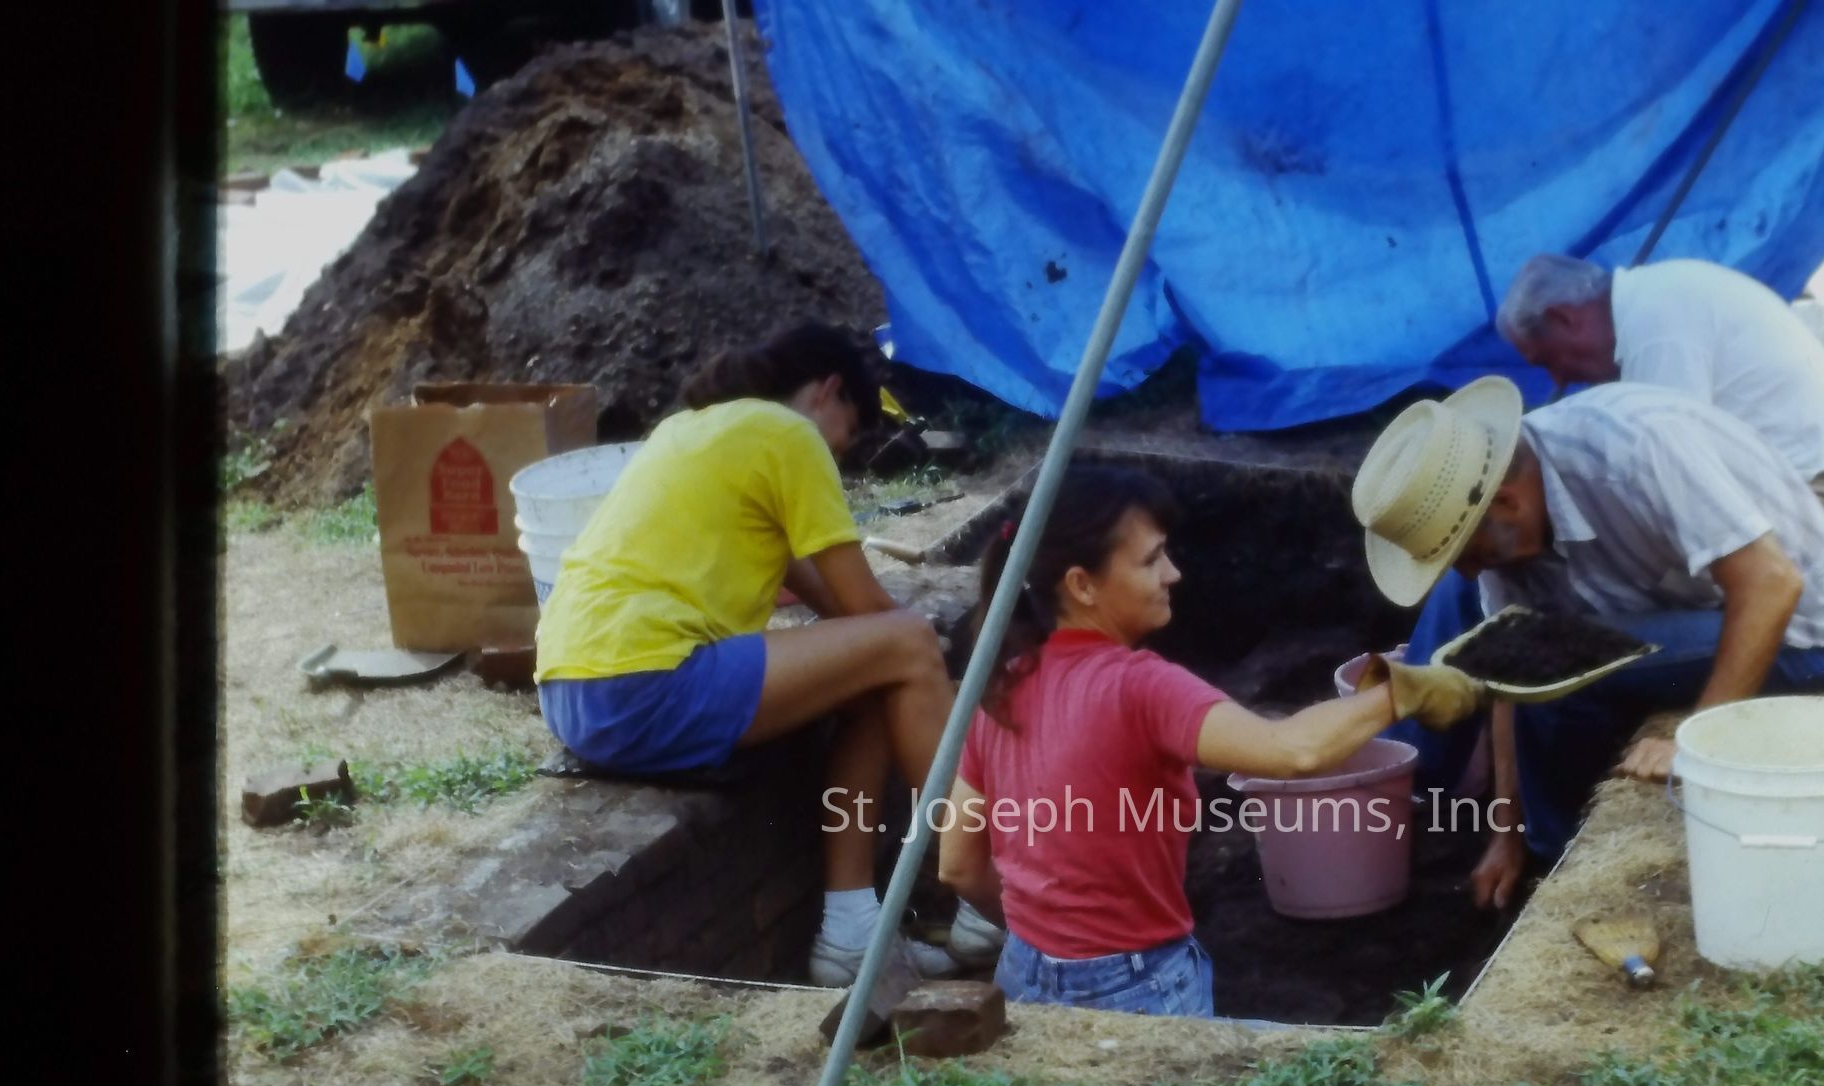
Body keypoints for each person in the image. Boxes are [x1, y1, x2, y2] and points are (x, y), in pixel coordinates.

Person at [934, 467, 1482, 1019]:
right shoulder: (1140, 687)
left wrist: (1049, 945)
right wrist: (1402, 693)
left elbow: (957, 864)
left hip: (1023, 976)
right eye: (1151, 560)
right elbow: (1292, 751)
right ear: (1082, 585)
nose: (1173, 573)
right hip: (1135, 986)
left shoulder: (1001, 686)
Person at [533, 322, 987, 985]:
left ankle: (852, 935)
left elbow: (841, 611)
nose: (838, 456)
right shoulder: (789, 434)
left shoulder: (692, 429)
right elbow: (871, 611)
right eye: (846, 436)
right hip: (645, 682)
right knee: (909, 644)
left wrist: (904, 652)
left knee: (877, 672)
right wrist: (931, 653)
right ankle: (987, 894)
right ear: (828, 391)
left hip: (574, 692)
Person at [1351, 376, 1824, 909]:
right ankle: (1542, 854)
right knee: (1515, 641)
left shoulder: (1636, 450)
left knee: (1555, 664)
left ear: (1505, 501)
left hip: (1804, 634)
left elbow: (1774, 585)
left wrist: (1695, 744)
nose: (1470, 570)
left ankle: (1561, 869)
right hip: (1691, 607)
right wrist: (1506, 834)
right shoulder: (1503, 503)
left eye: (1467, 552)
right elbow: (1508, 679)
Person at [1492, 252, 1824, 555]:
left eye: (1546, 359)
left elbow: (1673, 477)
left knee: (1723, 592)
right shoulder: (1657, 297)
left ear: (1563, 318)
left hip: (1822, 487)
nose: (1559, 380)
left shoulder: (1654, 324)